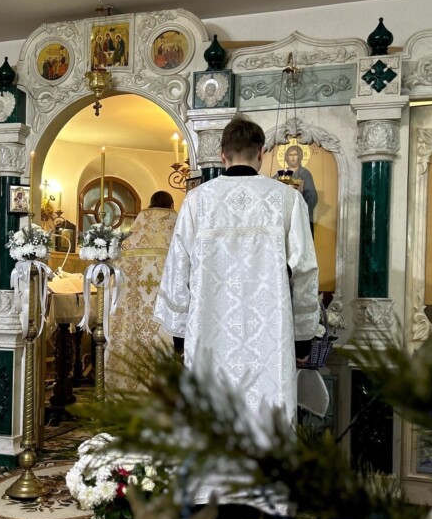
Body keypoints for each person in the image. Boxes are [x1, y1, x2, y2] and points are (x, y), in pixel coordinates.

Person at [155, 115, 320, 441]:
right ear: (261, 153)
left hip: (208, 332)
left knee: (210, 418)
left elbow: (177, 269)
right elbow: (304, 270)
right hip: (269, 336)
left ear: (222, 155)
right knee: (267, 418)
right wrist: (303, 335)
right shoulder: (288, 199)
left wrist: (179, 333)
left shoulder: (197, 201)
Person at [106, 191, 179, 393]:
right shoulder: (176, 231)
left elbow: (115, 277)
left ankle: (125, 390)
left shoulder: (132, 236)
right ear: (171, 205)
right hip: (165, 312)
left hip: (133, 311)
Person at [283, 144, 318, 232]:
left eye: (295, 154)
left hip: (300, 214)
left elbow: (312, 196)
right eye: (290, 155)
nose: (293, 158)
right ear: (287, 157)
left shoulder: (305, 173)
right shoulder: (282, 174)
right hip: (285, 215)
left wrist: (301, 206)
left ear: (300, 156)